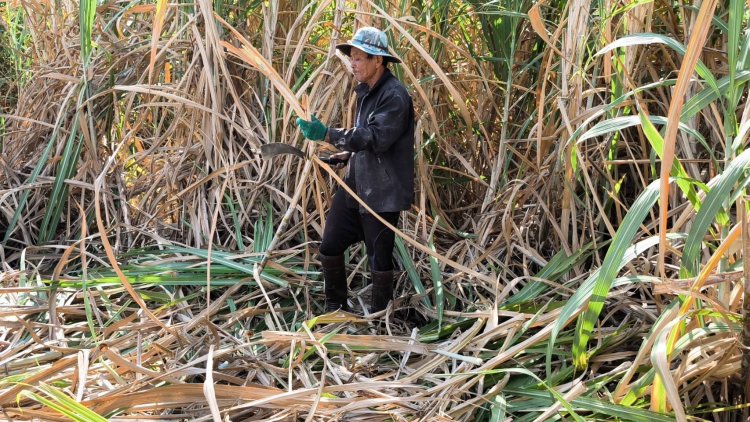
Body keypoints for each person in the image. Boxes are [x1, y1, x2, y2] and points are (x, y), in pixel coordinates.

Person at [296, 26, 415, 315]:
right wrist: (345, 154)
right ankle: (335, 307)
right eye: (352, 57)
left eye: (360, 58)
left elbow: (375, 137)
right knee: (330, 246)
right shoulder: (366, 91)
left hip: (382, 194)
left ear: (379, 61)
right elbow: (364, 138)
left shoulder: (394, 96)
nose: (353, 63)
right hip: (355, 186)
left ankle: (378, 320)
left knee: (379, 259)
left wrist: (327, 134)